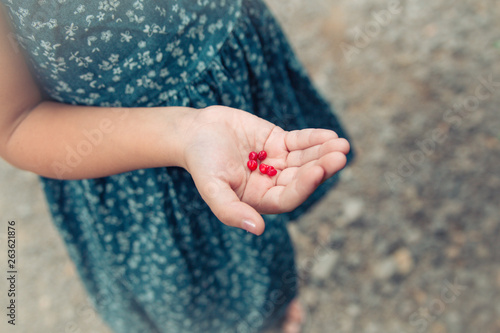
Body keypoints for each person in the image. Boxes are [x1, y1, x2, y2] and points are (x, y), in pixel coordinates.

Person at [0, 1, 353, 332]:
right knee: (198, 293)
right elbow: (15, 124)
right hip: (125, 154)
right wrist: (183, 134)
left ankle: (272, 306)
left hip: (232, 72)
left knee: (259, 234)